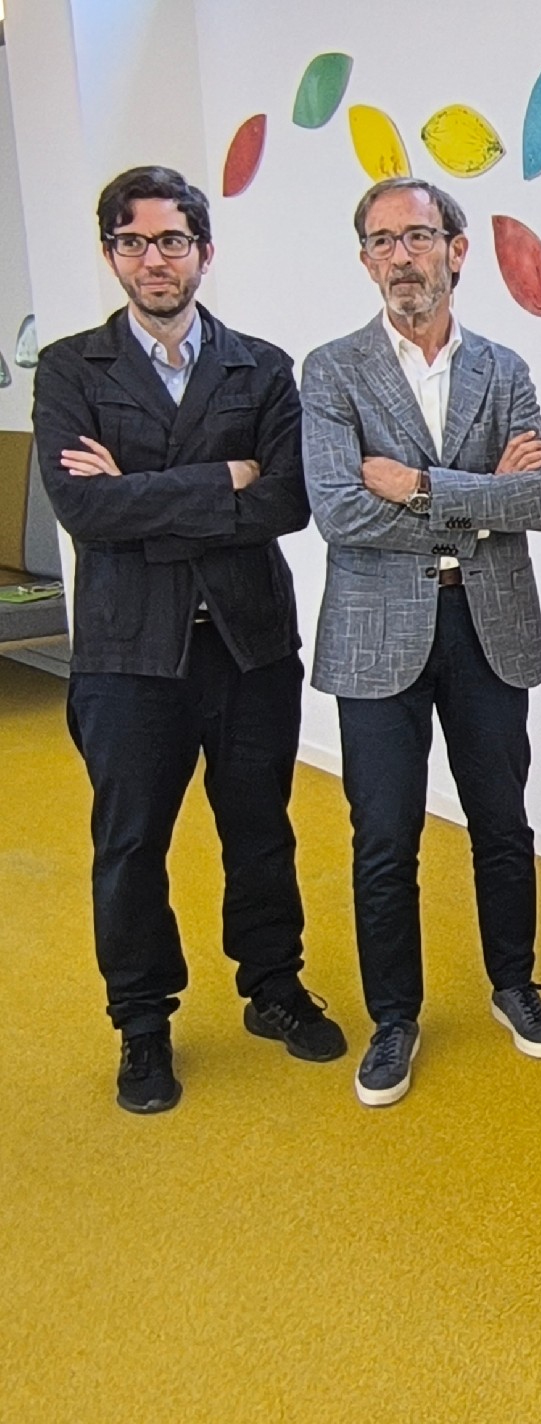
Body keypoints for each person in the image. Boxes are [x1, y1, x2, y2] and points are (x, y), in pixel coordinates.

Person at [32, 165, 345, 1114]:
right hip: (129, 653)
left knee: (261, 829)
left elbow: (286, 502)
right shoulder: (70, 368)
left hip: (248, 644)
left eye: (171, 240)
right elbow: (85, 511)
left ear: (204, 251)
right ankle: (141, 1022)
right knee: (131, 843)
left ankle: (273, 986)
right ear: (111, 255)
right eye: (133, 242)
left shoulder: (262, 366)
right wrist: (222, 479)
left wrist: (142, 494)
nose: (154, 259)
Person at [301, 177, 541, 1108]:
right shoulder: (332, 371)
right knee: (384, 837)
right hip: (375, 636)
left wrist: (416, 484)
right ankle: (394, 1019)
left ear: (457, 249)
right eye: (382, 241)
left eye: (417, 236)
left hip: (488, 625)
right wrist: (481, 496)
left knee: (503, 823)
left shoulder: (505, 368)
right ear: (365, 260)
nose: (400, 256)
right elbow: (339, 511)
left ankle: (514, 984)